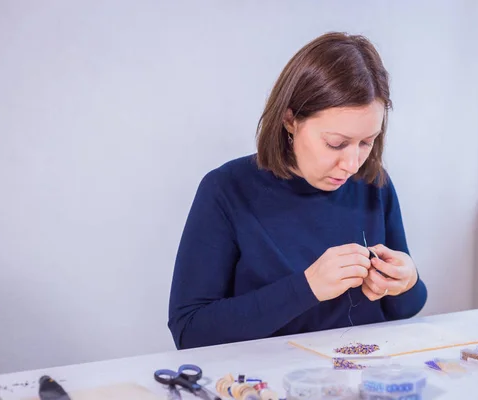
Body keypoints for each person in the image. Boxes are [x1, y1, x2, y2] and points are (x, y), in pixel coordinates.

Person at [168, 32, 427, 350]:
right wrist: (308, 287)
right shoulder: (226, 190)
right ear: (290, 119)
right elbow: (190, 331)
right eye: (336, 143)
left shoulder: (374, 185)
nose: (351, 164)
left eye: (367, 141)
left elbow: (405, 308)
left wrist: (407, 282)